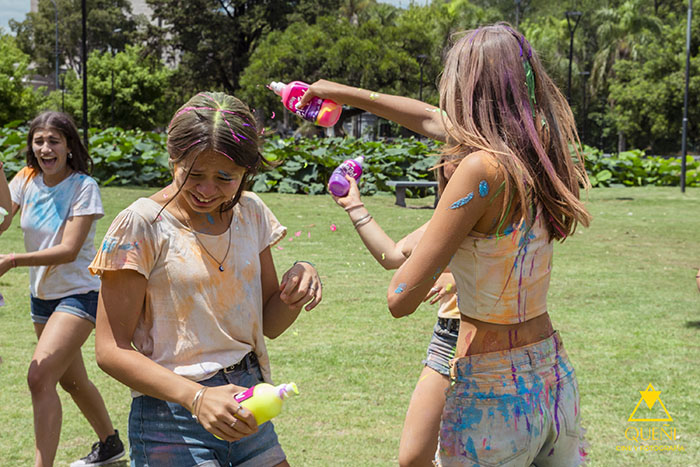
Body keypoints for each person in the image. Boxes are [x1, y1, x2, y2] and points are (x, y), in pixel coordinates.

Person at [300, 23, 590, 466]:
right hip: (553, 377)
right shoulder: (542, 148)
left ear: (466, 87)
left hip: (494, 390)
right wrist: (345, 93)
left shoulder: (480, 169)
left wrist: (449, 247)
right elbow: (429, 119)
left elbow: (399, 297)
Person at [90, 91, 322, 466]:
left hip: (250, 403)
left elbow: (271, 323)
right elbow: (109, 350)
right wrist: (196, 398)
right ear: (172, 160)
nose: (207, 189)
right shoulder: (141, 225)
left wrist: (298, 283)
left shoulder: (251, 213)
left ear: (246, 172)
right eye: (193, 174)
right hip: (172, 420)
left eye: (225, 178)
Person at [0, 111, 124, 467]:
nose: (45, 148)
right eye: (38, 141)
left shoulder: (84, 187)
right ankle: (111, 444)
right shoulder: (26, 179)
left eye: (54, 141)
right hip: (42, 297)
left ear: (69, 146)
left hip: (78, 294)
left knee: (39, 377)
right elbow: (2, 218)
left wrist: (11, 260)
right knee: (72, 381)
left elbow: (69, 249)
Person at [331, 158, 460, 467]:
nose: (451, 164)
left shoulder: (508, 203)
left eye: (463, 154)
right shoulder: (445, 219)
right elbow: (393, 256)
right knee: (414, 458)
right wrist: (353, 206)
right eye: (448, 156)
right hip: (449, 335)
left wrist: (456, 277)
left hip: (498, 337)